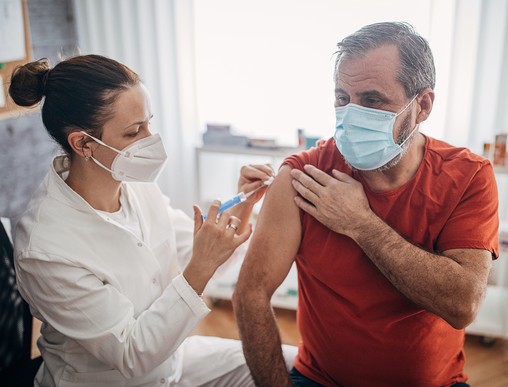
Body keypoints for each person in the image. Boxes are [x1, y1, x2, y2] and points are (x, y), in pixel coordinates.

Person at [233, 21, 499, 387]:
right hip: (320, 379)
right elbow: (250, 293)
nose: (351, 115)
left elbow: (462, 304)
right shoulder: (302, 176)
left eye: (372, 100)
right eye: (342, 98)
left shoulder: (468, 176)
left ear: (422, 105)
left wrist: (360, 223)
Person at [9, 54, 296, 386]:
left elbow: (201, 251)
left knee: (289, 364)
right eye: (134, 132)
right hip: (113, 378)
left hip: (172, 362)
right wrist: (202, 264)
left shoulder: (134, 186)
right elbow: (133, 354)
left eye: (148, 123)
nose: (150, 139)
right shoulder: (45, 248)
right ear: (84, 143)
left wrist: (244, 202)